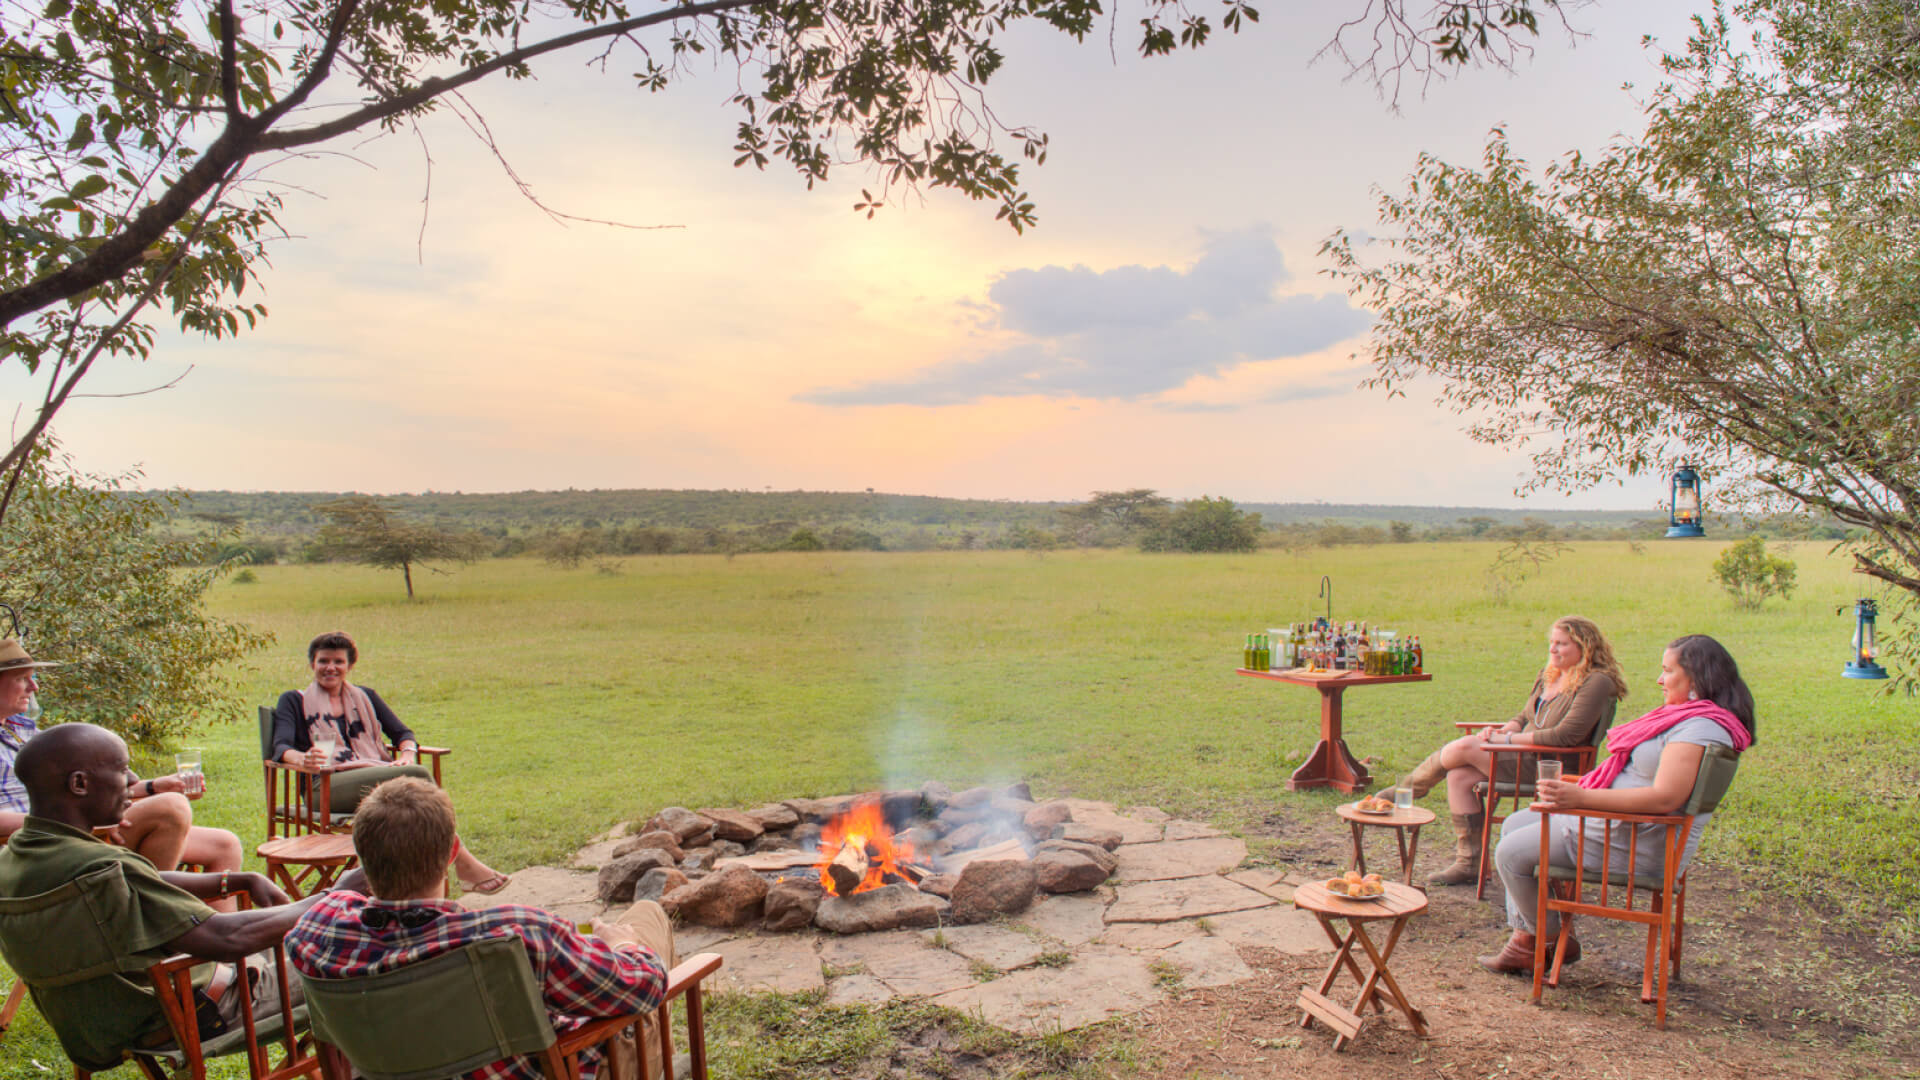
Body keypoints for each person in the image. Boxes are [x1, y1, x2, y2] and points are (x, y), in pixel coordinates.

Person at [0, 722, 366, 1072]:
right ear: (79, 784)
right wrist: (339, 893)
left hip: (99, 1025)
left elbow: (144, 879)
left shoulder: (19, 858)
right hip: (198, 1015)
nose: (132, 782)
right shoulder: (101, 867)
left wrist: (234, 879)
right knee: (358, 945)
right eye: (123, 770)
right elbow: (228, 938)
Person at [286, 778, 671, 1080]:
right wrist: (623, 947)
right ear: (454, 853)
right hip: (562, 1067)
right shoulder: (515, 936)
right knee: (646, 917)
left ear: (360, 859)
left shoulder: (317, 931)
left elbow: (335, 905)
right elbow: (645, 986)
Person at [1481, 633, 1756, 973]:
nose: (1659, 679)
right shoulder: (1694, 719)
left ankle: (1547, 939)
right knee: (1513, 824)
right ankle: (1529, 940)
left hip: (1631, 842)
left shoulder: (1700, 729)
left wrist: (1582, 797)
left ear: (1698, 677)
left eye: (1668, 671)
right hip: (1621, 827)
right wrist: (1582, 786)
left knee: (1510, 853)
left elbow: (1665, 798)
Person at [269, 631, 510, 894]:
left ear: (349, 666)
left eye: (338, 661)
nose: (330, 667)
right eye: (323, 661)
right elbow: (280, 746)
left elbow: (403, 734)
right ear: (312, 664)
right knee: (417, 777)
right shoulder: (294, 700)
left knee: (415, 793)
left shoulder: (366, 697)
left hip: (374, 779)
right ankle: (463, 862)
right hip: (324, 788)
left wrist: (406, 754)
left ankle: (420, 884)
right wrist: (302, 758)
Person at [1399, 616, 1628, 887]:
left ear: (1585, 647)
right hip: (1525, 754)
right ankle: (1469, 863)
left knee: (1464, 746)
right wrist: (1509, 728)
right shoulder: (1552, 673)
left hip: (1553, 767)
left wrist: (1505, 740)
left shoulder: (1596, 682)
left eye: (1562, 644)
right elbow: (1524, 715)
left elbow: (1567, 736)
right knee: (1459, 776)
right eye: (1551, 643)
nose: (1553, 650)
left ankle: (1406, 792)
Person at [0, 639, 243, 887]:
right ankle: (147, 911)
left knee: (224, 844)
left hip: (84, 828)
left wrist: (153, 787)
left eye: (33, 677)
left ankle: (224, 925)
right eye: (22, 679)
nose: (34, 687)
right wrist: (72, 823)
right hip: (41, 843)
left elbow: (87, 784)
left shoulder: (23, 730)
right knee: (171, 807)